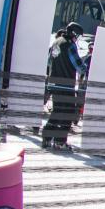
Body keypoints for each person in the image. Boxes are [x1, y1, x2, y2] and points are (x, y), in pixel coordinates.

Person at [40, 22, 85, 150]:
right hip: (65, 84)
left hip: (54, 82)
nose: (78, 39)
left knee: (58, 110)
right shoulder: (69, 45)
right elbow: (79, 66)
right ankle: (60, 140)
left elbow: (49, 62)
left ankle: (47, 137)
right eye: (78, 36)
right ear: (74, 33)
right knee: (68, 112)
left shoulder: (56, 42)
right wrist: (86, 69)